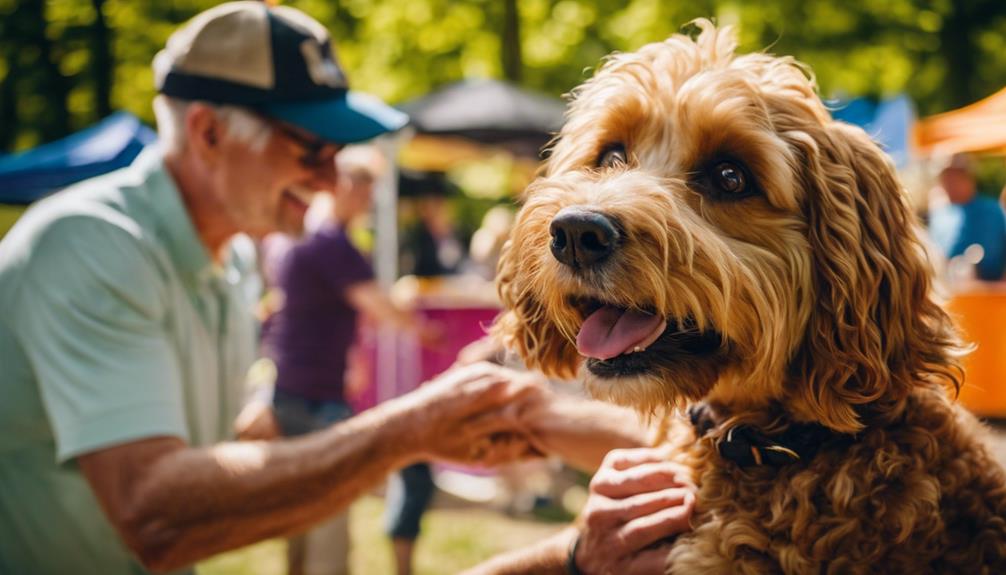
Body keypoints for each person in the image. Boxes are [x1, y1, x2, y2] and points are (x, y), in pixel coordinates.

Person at [0, 4, 539, 574]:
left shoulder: (231, 256)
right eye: (311, 149)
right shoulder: (93, 244)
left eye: (336, 156)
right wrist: (407, 432)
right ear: (208, 133)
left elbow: (183, 453)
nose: (331, 180)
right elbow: (153, 513)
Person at [254, 145, 439, 575]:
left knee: (298, 515)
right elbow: (379, 307)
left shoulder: (292, 236)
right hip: (317, 397)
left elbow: (301, 308)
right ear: (345, 186)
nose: (368, 202)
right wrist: (423, 327)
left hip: (287, 386)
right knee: (328, 523)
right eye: (365, 191)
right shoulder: (330, 242)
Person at [928, 152, 1006, 281]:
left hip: (991, 296)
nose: (949, 186)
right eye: (945, 179)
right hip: (951, 296)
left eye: (954, 178)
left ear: (969, 177)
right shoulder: (939, 216)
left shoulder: (993, 211)